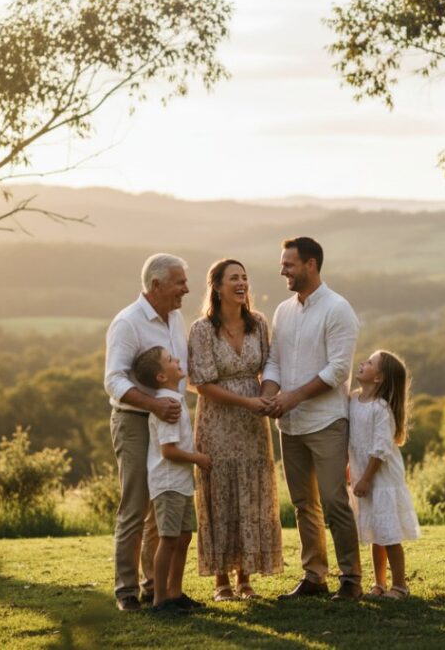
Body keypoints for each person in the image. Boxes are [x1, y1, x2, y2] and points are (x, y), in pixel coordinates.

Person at [262, 236, 363, 601]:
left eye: (288, 264)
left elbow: (338, 370)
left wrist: (293, 396)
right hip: (290, 424)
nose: (282, 270)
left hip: (326, 421)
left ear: (311, 265)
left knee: (334, 500)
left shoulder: (338, 309)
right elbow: (274, 360)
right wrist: (269, 394)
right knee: (305, 503)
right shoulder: (283, 311)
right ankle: (315, 576)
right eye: (282, 263)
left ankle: (350, 577)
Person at [188, 259, 283, 601]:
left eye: (244, 277)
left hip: (254, 424)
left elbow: (271, 365)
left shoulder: (258, 323)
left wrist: (267, 397)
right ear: (216, 287)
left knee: (251, 492)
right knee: (221, 492)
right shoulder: (202, 329)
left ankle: (245, 578)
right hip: (217, 421)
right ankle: (221, 581)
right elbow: (202, 383)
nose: (242, 283)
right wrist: (248, 403)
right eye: (234, 278)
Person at [103, 253, 189, 612]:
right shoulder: (128, 322)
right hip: (135, 422)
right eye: (179, 282)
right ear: (156, 285)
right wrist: (154, 405)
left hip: (167, 423)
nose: (186, 289)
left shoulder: (177, 317)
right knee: (136, 504)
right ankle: (126, 590)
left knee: (162, 502)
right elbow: (113, 380)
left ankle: (158, 587)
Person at [133, 346, 211, 614]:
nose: (177, 360)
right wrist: (197, 458)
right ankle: (160, 599)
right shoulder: (168, 404)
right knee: (167, 539)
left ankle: (175, 593)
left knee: (184, 536)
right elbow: (168, 451)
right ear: (160, 377)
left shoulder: (174, 397)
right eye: (169, 360)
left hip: (180, 482)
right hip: (167, 483)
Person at [348, 350, 421, 600]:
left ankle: (400, 585)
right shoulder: (353, 401)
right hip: (363, 475)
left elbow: (380, 449)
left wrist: (366, 478)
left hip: (381, 479)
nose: (362, 363)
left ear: (378, 378)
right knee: (375, 534)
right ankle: (379, 583)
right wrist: (352, 468)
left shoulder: (380, 409)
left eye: (369, 363)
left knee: (388, 533)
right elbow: (353, 440)